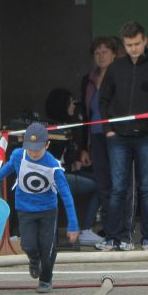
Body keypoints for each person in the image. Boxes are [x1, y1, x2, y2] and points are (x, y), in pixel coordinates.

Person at [97, 21, 148, 251]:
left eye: (137, 44)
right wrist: (108, 130)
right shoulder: (115, 68)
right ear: (124, 44)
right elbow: (103, 101)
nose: (134, 48)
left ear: (145, 41)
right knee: (118, 188)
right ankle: (113, 236)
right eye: (129, 44)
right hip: (118, 137)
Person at [0, 123, 79, 293]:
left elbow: (66, 195)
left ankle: (45, 279)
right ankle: (33, 259)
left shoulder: (53, 165)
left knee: (47, 247)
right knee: (28, 244)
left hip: (47, 210)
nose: (33, 153)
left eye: (38, 149)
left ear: (47, 145)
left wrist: (73, 224)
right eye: (30, 149)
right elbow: (7, 169)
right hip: (25, 208)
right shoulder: (17, 156)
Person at [43, 89, 101, 246]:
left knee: (102, 180)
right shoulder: (55, 131)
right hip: (56, 178)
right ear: (62, 105)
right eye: (71, 103)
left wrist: (78, 157)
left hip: (64, 174)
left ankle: (88, 228)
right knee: (100, 186)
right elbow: (57, 160)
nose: (74, 106)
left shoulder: (66, 126)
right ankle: (87, 229)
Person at [81, 36, 119, 242]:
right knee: (103, 184)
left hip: (116, 136)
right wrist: (83, 147)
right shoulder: (88, 79)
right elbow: (85, 116)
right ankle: (108, 230)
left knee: (119, 184)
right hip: (95, 136)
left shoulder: (120, 77)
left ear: (114, 54)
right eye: (97, 52)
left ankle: (120, 229)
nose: (101, 55)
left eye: (105, 51)